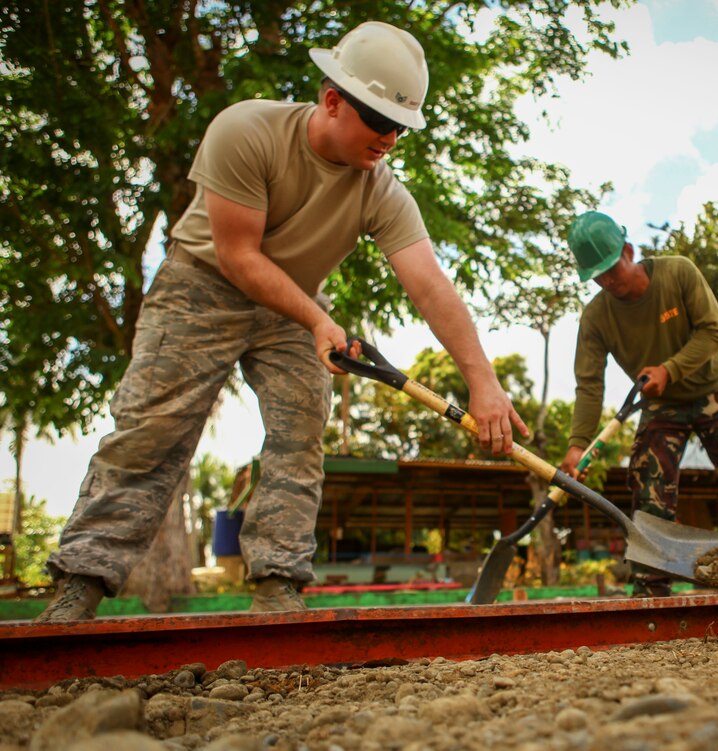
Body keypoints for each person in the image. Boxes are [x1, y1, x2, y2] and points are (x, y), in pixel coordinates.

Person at [35, 22, 527, 623]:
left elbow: (428, 282)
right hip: (202, 285)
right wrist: (318, 319)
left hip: (294, 305)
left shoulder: (381, 189)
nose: (390, 139)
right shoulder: (247, 131)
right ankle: (79, 581)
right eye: (379, 121)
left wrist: (483, 380)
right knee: (152, 431)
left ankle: (278, 586)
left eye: (401, 126)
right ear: (332, 101)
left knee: (301, 433)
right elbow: (239, 256)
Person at [558, 211, 718, 596]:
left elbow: (714, 332)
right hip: (662, 407)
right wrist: (579, 445)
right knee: (648, 485)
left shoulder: (678, 273)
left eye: (612, 269)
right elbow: (589, 385)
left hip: (715, 390)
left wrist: (669, 370)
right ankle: (650, 586)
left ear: (628, 250)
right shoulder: (596, 317)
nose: (607, 281)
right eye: (598, 275)